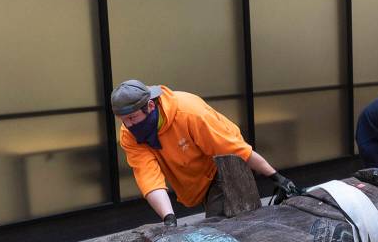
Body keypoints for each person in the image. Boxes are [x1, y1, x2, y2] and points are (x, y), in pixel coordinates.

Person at [113, 80, 300, 227]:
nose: (129, 125)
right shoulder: (129, 134)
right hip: (196, 180)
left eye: (132, 117)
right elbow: (148, 176)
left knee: (220, 229)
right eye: (124, 120)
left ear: (150, 106)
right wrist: (168, 218)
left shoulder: (190, 113)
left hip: (224, 166)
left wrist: (276, 177)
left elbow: (234, 149)